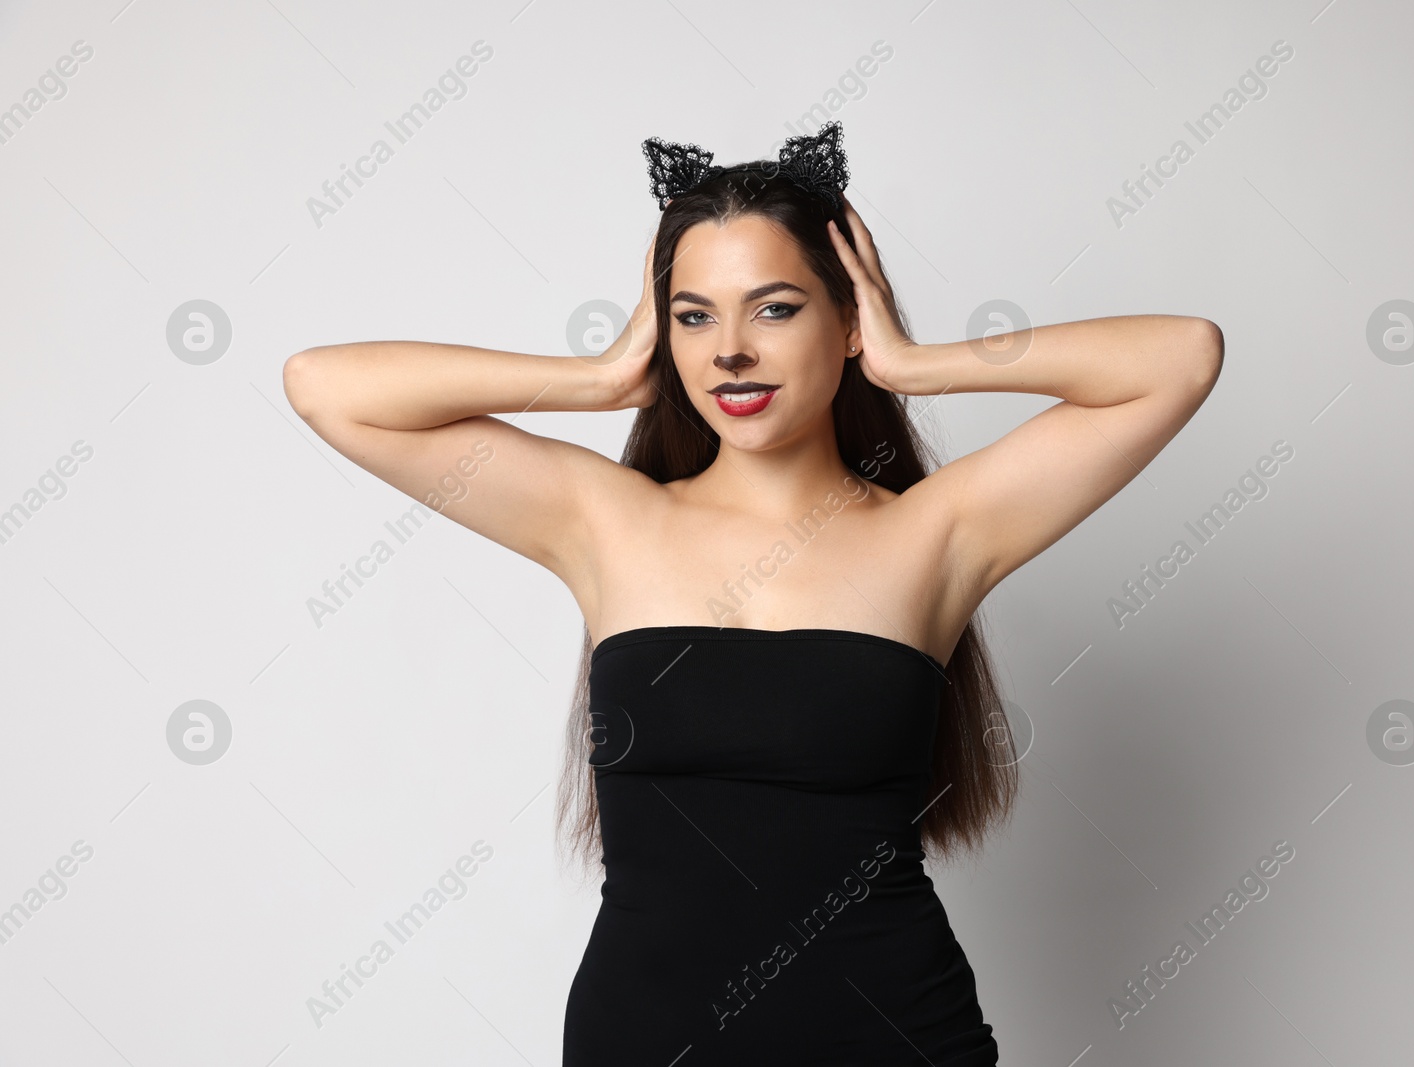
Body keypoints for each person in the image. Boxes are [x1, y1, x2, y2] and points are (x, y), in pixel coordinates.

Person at [282, 121, 1222, 1065]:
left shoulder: (934, 532)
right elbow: (326, 386)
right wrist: (603, 377)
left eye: (773, 309)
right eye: (694, 315)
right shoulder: (605, 519)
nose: (729, 350)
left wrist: (915, 360)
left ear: (846, 320)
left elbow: (1180, 357)